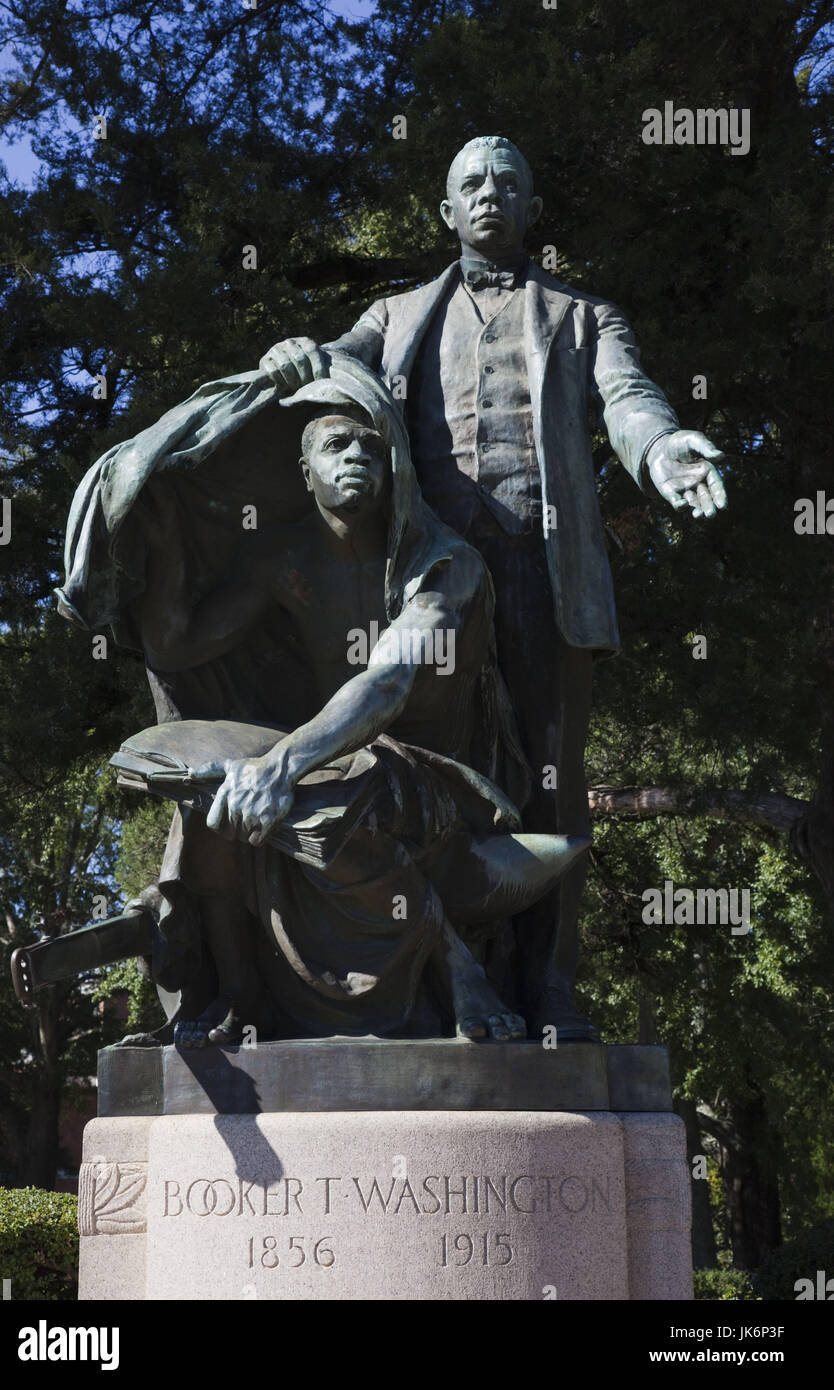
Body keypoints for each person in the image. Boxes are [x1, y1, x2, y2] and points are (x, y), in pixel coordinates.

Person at [257, 135, 728, 1039]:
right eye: (470, 182)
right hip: (427, 577)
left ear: (531, 207)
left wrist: (664, 448)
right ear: (445, 211)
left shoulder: (584, 315)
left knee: (553, 787)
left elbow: (629, 399)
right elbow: (325, 371)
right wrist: (293, 355)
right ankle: (427, 979)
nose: (489, 194)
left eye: (509, 181)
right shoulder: (393, 316)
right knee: (410, 766)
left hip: (545, 576)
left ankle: (550, 986)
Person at [57, 356, 587, 1043]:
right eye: (335, 445)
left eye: (373, 446)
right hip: (325, 756)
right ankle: (235, 998)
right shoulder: (286, 559)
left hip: (432, 774)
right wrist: (168, 549)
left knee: (342, 790)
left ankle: (457, 964)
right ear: (302, 473)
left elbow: (388, 682)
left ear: (396, 467)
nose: (357, 456)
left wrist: (280, 766)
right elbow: (179, 648)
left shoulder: (442, 565)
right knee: (208, 801)